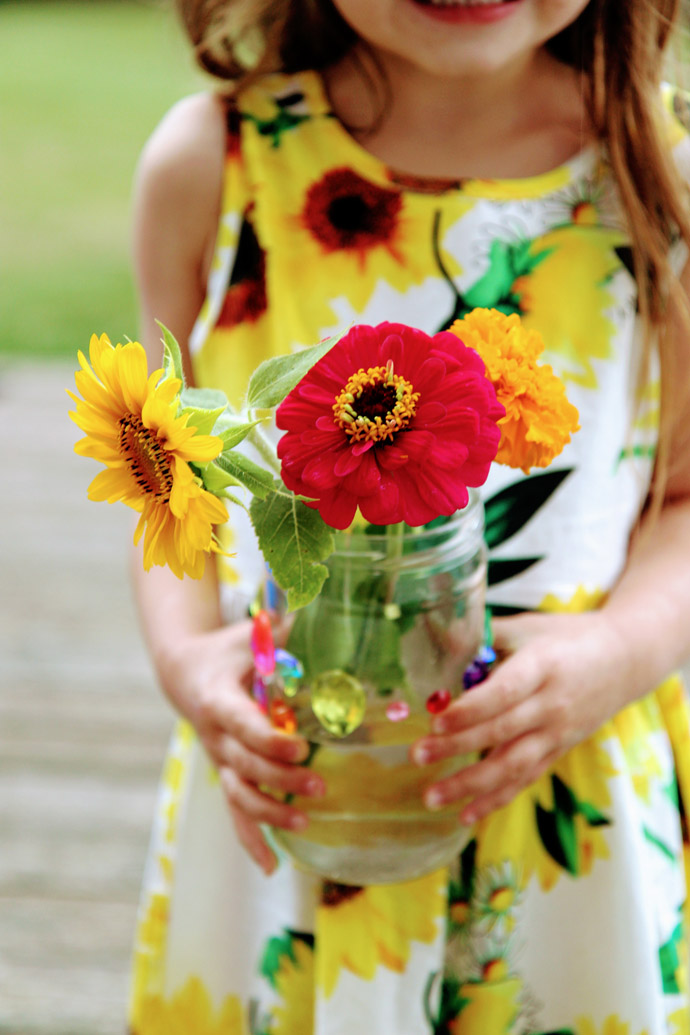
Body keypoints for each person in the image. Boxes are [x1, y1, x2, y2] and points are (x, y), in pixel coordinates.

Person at [127, 0, 690, 1031]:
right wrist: (187, 659)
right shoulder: (214, 164)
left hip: (561, 782)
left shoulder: (658, 174)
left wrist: (620, 646)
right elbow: (167, 473)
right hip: (295, 771)